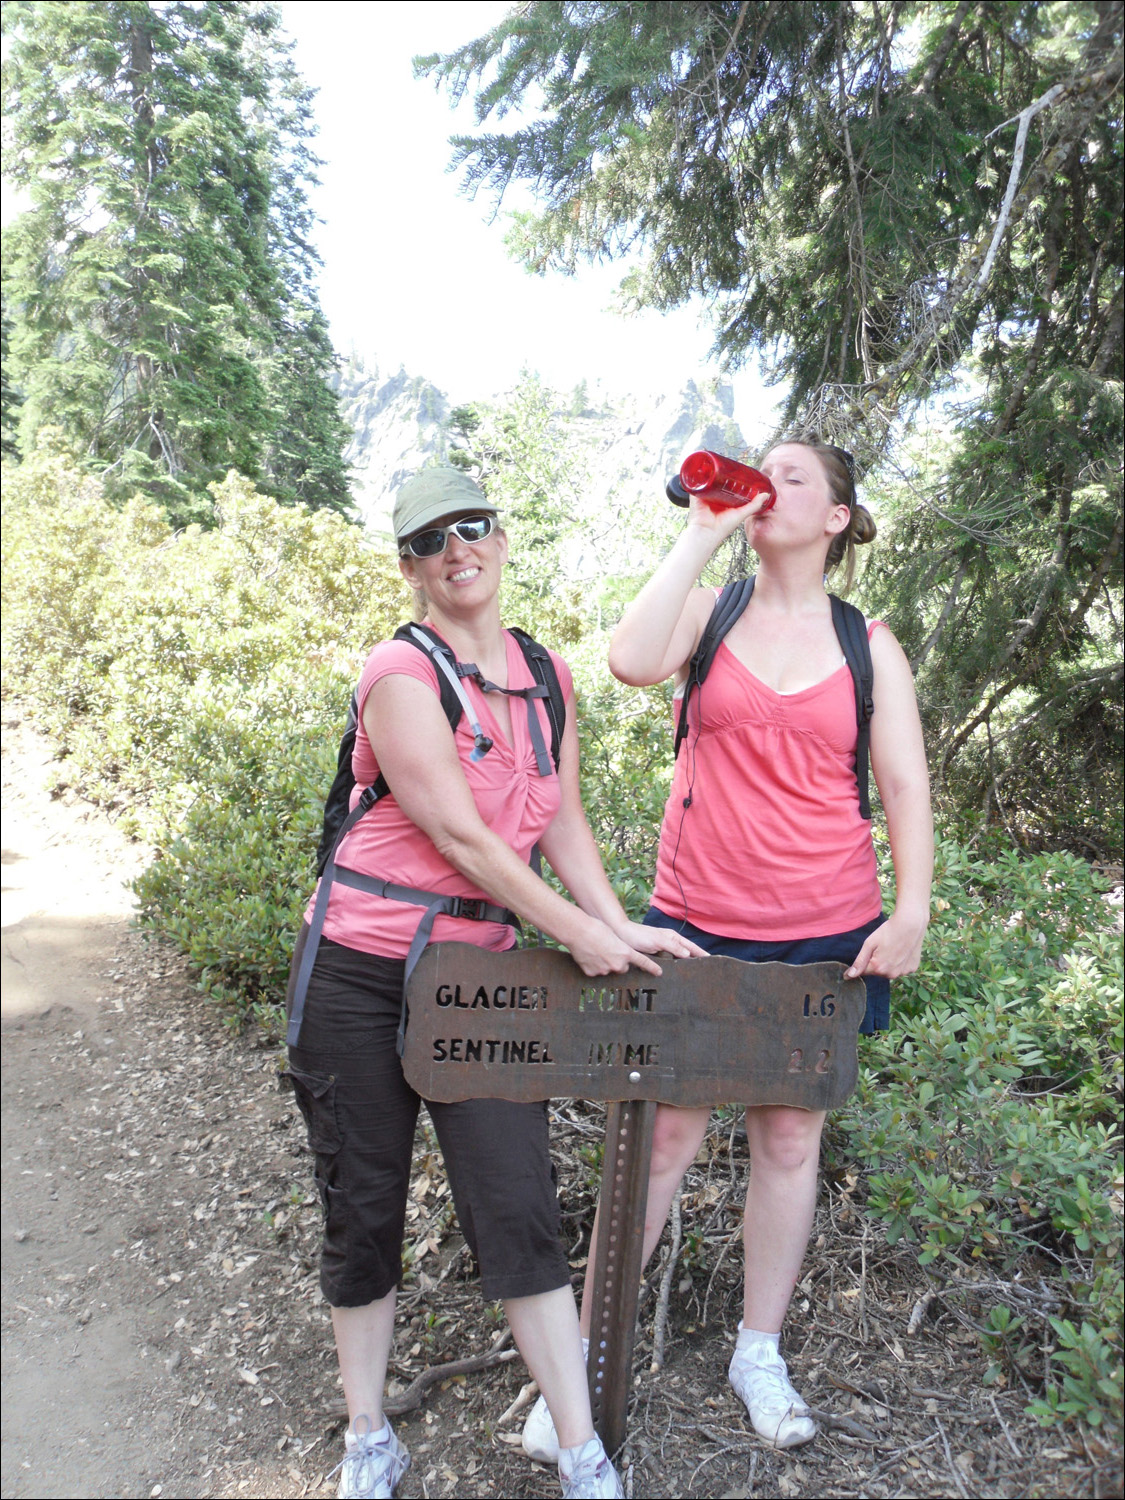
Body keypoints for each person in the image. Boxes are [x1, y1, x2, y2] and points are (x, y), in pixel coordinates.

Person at [286, 468, 702, 1500]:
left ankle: (578, 1445)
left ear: (501, 538)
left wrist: (613, 924)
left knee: (517, 1202)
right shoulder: (399, 667)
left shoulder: (544, 673)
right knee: (363, 1198)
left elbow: (556, 817)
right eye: (431, 540)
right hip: (357, 969)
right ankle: (369, 1432)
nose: (456, 549)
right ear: (409, 567)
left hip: (477, 977)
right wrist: (572, 932)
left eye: (472, 526)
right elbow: (460, 833)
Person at [523, 437, 933, 1460]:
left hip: (827, 931)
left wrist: (913, 908)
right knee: (661, 1138)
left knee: (789, 1141)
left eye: (795, 476)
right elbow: (628, 659)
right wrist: (703, 534)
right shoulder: (713, 613)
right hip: (695, 919)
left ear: (838, 517)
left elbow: (906, 789)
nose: (769, 482)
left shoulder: (866, 643)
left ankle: (759, 1350)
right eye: (763, 470)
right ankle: (578, 1358)